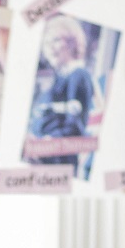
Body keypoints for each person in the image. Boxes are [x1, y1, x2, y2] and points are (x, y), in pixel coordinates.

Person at [29, 17, 96, 152]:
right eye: (46, 43)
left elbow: (74, 129)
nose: (50, 48)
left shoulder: (78, 76)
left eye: (56, 40)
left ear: (72, 42)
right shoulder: (60, 78)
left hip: (57, 161)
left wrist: (43, 144)